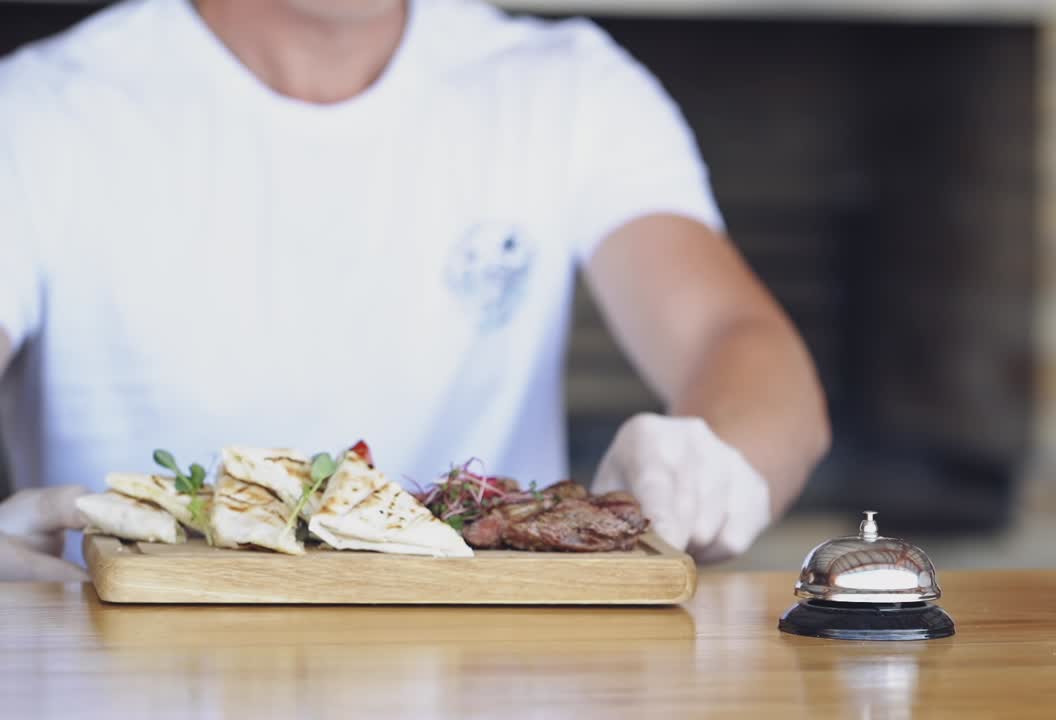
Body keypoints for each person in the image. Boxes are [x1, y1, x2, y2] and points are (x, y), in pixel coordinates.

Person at [0, 0, 829, 579]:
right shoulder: (40, 111)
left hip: (502, 677)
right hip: (142, 682)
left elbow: (735, 336)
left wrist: (717, 465)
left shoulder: (567, 83)